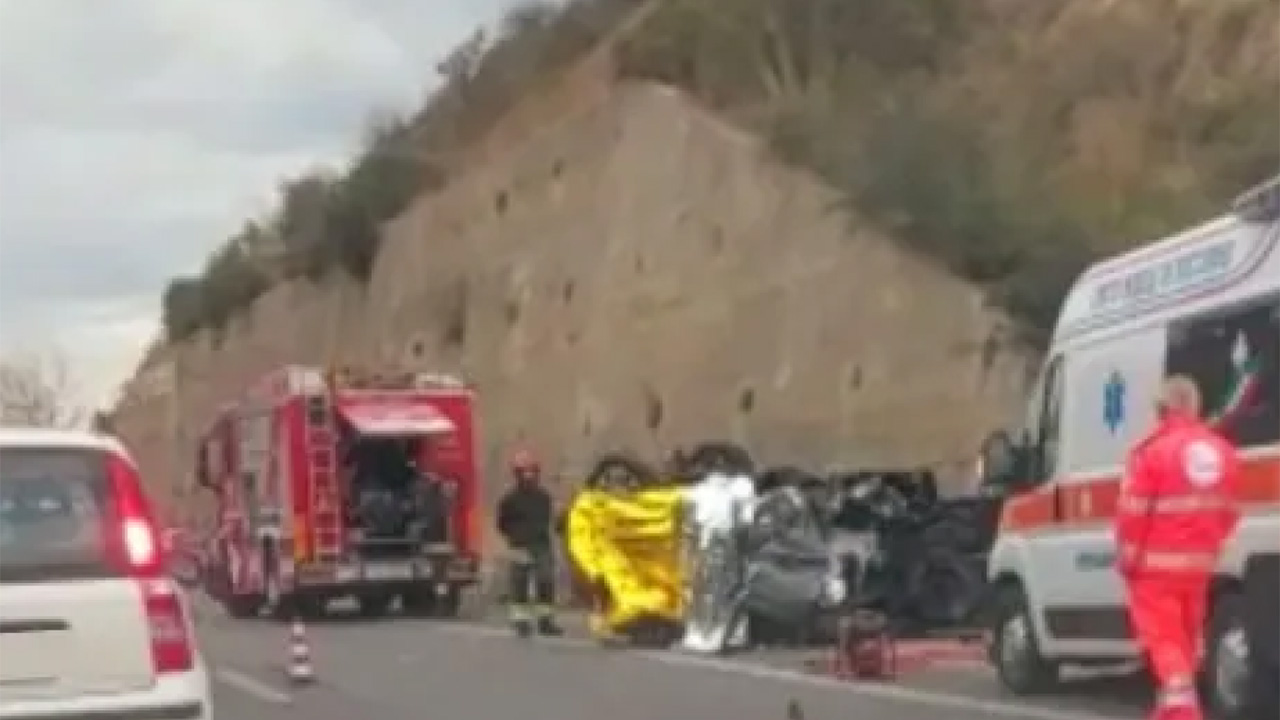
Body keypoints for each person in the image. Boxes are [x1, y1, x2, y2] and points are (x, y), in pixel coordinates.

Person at [1117, 376, 1241, 720]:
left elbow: (1133, 515)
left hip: (1155, 571)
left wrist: (1128, 562)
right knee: (1186, 643)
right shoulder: (1223, 452)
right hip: (1199, 569)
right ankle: (1172, 709)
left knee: (1164, 643)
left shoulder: (1151, 453)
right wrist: (1207, 547)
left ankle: (1182, 711)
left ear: (1162, 410)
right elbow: (1229, 512)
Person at [496, 447, 563, 637]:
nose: (528, 475)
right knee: (520, 584)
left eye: (531, 471)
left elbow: (550, 518)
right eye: (524, 472)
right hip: (519, 546)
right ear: (517, 474)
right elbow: (502, 523)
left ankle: (546, 620)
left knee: (546, 580)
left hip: (541, 545)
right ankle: (521, 621)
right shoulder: (509, 500)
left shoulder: (544, 497)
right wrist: (514, 540)